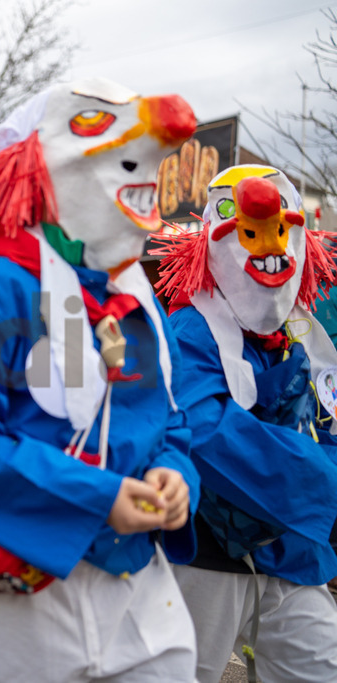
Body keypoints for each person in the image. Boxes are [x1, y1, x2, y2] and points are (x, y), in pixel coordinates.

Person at [0, 78, 201, 682]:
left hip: (136, 586)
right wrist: (98, 496)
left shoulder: (136, 303)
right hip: (10, 607)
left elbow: (170, 419)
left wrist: (176, 474)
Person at [154, 164, 337, 681]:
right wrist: (327, 489)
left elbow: (328, 420)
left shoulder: (305, 336)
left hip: (295, 556)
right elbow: (203, 430)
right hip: (203, 558)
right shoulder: (189, 330)